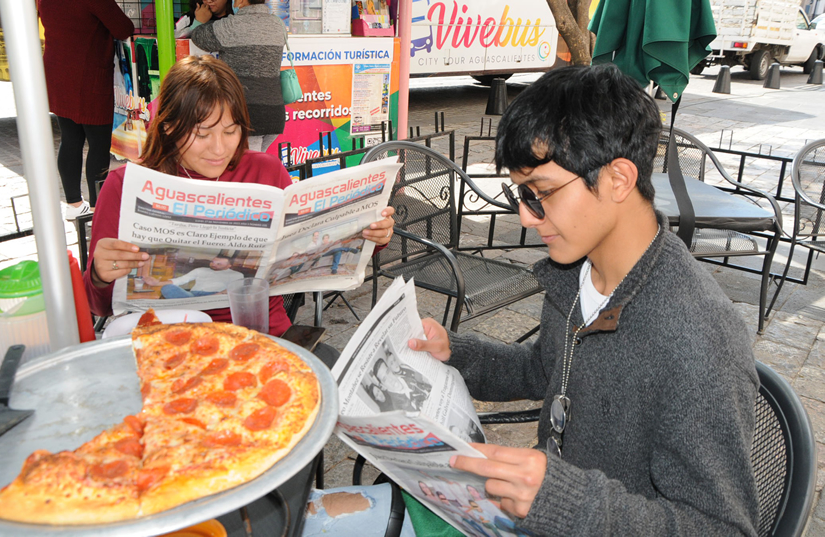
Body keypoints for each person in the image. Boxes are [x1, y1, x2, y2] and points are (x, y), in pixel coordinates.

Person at [408, 65, 759, 536]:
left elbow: (723, 528)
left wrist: (567, 503)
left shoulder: (699, 337)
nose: (527, 218)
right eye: (523, 194)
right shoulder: (578, 271)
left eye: (543, 193)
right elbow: (544, 370)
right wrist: (458, 353)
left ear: (617, 179)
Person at [83, 56, 395, 339]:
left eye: (231, 131)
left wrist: (370, 235)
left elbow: (308, 250)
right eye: (202, 134)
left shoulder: (266, 171)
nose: (219, 148)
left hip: (262, 335)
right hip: (172, 340)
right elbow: (99, 305)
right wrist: (99, 274)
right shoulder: (125, 186)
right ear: (167, 127)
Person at [37, 0, 134, 220]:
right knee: (99, 144)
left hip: (59, 73)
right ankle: (97, 207)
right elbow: (124, 28)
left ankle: (73, 203)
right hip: (89, 76)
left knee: (70, 138)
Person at [191, 0, 287, 153]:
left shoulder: (230, 26)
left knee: (248, 171)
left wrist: (199, 20)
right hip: (275, 114)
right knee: (257, 166)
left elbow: (198, 37)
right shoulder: (278, 24)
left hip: (246, 115)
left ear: (241, 0)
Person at [142, 256, 244, 298]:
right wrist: (157, 283)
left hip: (215, 296)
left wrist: (213, 297)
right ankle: (189, 303)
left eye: (219, 264)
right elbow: (180, 280)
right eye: (213, 262)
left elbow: (233, 289)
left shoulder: (237, 275)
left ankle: (187, 304)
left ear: (228, 266)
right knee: (167, 288)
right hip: (191, 295)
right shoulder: (200, 270)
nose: (214, 265)